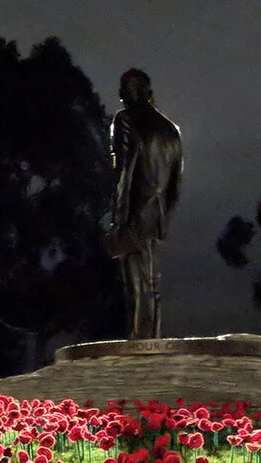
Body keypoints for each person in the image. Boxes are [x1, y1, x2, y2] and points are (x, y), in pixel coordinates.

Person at [107, 68, 183, 339]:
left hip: (133, 215)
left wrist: (118, 221)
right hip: (157, 217)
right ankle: (151, 340)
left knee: (135, 287)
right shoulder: (171, 131)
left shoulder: (125, 120)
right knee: (151, 285)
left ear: (125, 93)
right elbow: (175, 186)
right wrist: (163, 220)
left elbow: (123, 174)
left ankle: (140, 343)